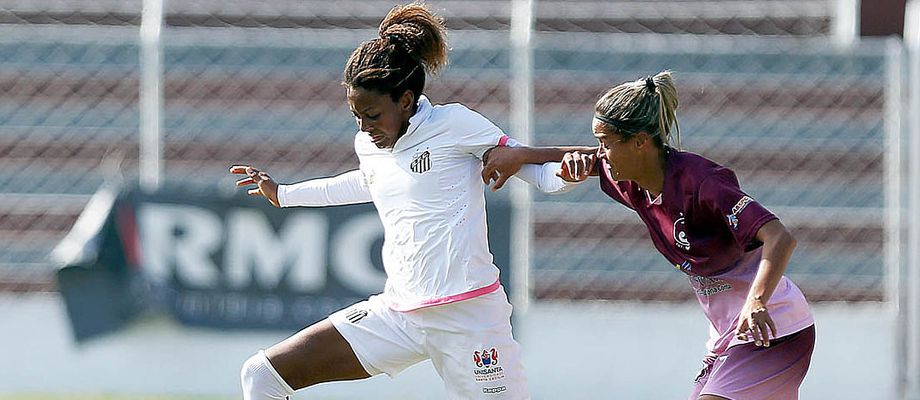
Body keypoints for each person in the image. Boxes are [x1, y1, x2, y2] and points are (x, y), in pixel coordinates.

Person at [230, 3, 574, 399]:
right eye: (357, 116)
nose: (364, 127)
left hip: (469, 319)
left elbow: (538, 173)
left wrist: (569, 173)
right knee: (261, 374)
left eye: (373, 115)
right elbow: (369, 182)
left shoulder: (454, 125)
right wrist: (284, 194)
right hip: (398, 315)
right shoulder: (370, 145)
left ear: (406, 100)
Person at [482, 71, 815, 400]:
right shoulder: (631, 181)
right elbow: (586, 159)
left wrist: (756, 302)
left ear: (640, 141)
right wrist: (522, 155)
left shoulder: (703, 183)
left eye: (606, 143)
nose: (599, 153)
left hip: (771, 327)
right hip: (727, 336)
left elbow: (780, 238)